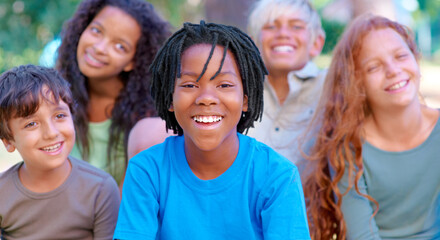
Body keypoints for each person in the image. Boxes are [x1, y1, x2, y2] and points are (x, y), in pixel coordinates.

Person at [113, 21, 311, 239]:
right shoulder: (147, 171)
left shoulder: (277, 176)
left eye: (224, 85)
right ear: (171, 99)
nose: (206, 98)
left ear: (245, 100)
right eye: (189, 85)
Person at [303, 14, 440, 239]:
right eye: (374, 67)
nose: (393, 70)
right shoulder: (349, 148)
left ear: (416, 58)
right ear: (358, 83)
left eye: (401, 56)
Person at [56, 0, 171, 187]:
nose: (99, 48)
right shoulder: (54, 97)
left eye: (120, 46)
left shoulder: (146, 121)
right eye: (96, 31)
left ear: (132, 61)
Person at [0, 65, 120, 240]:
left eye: (59, 116)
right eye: (31, 124)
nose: (51, 133)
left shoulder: (100, 190)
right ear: (9, 142)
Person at [246, 0, 326, 164]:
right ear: (253, 44)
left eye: (296, 26)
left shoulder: (332, 86)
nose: (283, 34)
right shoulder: (238, 91)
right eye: (270, 26)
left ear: (316, 43)